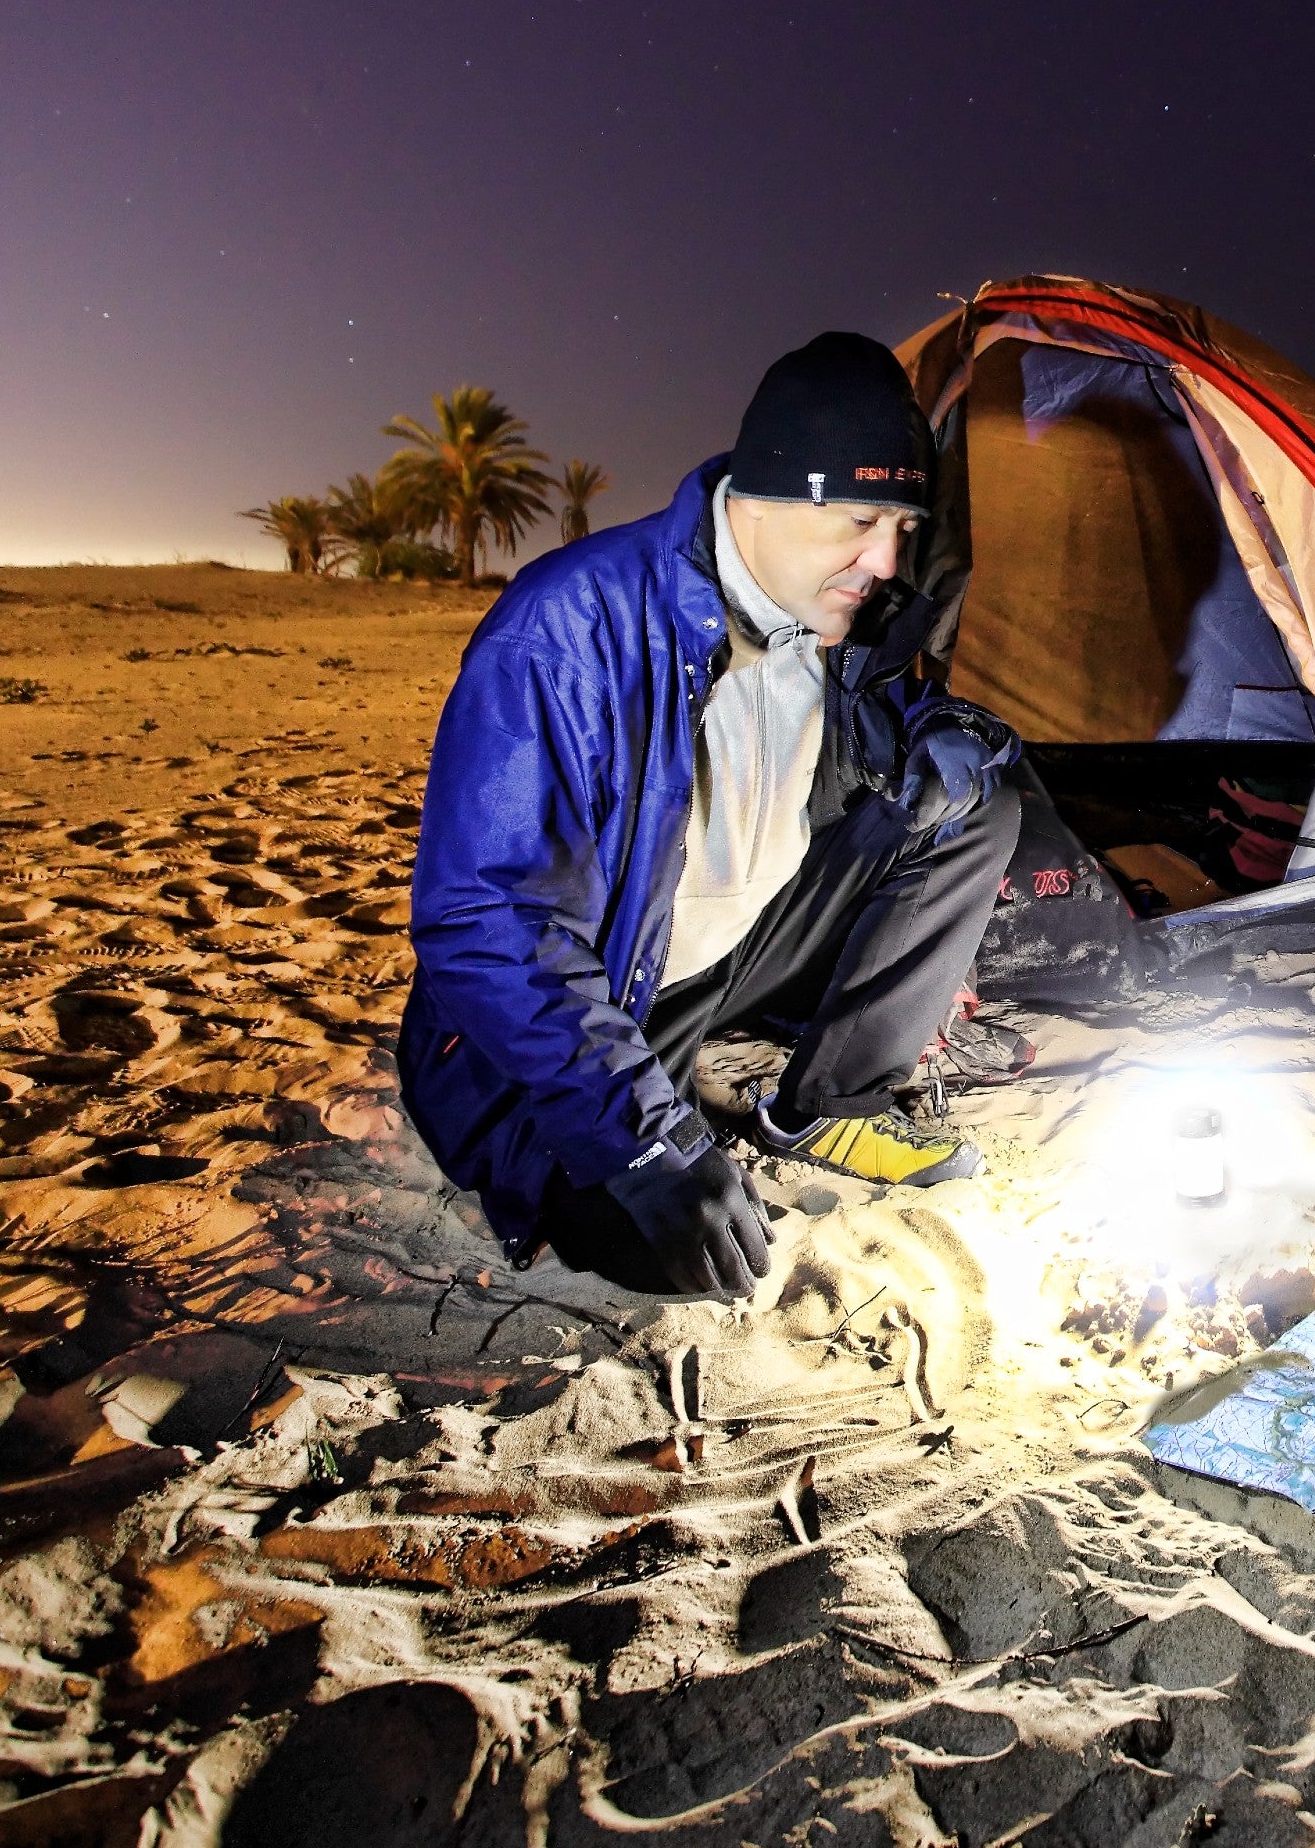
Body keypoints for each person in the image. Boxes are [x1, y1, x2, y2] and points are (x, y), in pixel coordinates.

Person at [401, 333, 1024, 1301]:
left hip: (727, 953)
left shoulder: (830, 606)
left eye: (902, 524)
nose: (886, 557)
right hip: (595, 998)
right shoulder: (568, 632)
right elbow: (484, 923)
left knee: (974, 809)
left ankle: (825, 1105)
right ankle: (607, 1130)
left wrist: (935, 737)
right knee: (685, 1256)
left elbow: (860, 733)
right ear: (764, 494)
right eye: (861, 518)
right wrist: (647, 1141)